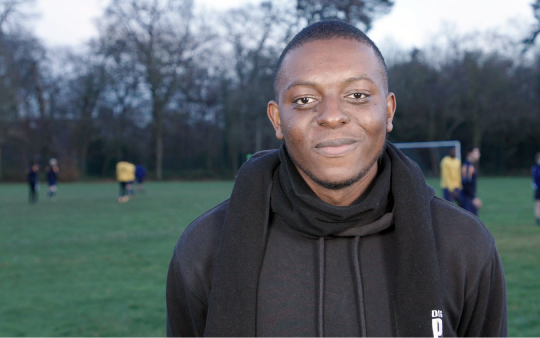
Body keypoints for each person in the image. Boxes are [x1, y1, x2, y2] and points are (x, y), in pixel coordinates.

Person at [166, 21, 507, 338]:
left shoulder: (464, 245)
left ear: (387, 111)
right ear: (277, 119)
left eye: (357, 95)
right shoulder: (205, 248)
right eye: (305, 100)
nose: (331, 116)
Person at [460, 147, 482, 216]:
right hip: (467, 198)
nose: (479, 154)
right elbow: (466, 183)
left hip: (468, 197)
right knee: (471, 221)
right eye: (476, 153)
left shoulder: (470, 165)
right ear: (470, 154)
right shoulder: (468, 166)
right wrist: (473, 198)